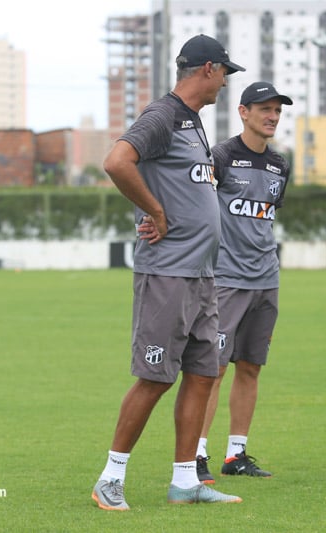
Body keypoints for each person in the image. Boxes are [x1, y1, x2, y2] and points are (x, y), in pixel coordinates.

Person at [91, 34, 246, 511]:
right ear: (207, 70)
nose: (226, 81)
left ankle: (185, 481)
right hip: (168, 274)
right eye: (225, 72)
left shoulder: (193, 124)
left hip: (202, 277)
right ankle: (109, 479)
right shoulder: (162, 116)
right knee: (156, 377)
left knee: (202, 373)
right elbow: (117, 162)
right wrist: (156, 212)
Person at [193, 82, 293, 484]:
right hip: (226, 280)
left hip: (266, 280)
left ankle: (236, 454)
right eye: (265, 109)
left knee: (250, 367)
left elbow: (264, 219)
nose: (272, 116)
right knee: (212, 369)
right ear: (243, 112)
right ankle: (196, 453)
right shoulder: (219, 156)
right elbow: (196, 203)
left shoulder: (280, 165)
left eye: (277, 111)